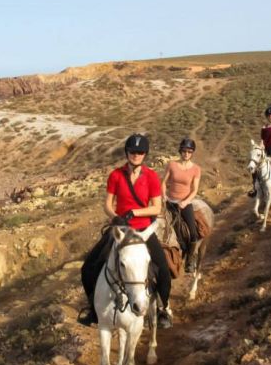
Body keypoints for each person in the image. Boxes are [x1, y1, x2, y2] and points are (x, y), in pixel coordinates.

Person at [78, 134, 174, 329]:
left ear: (145, 154)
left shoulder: (152, 177)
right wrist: (115, 216)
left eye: (140, 152)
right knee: (88, 267)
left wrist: (134, 212)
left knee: (163, 269)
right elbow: (107, 203)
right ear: (127, 153)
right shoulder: (116, 175)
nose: (136, 155)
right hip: (120, 230)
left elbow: (156, 208)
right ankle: (93, 310)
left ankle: (163, 308)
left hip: (142, 231)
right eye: (132, 151)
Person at [162, 138, 202, 273]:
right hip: (169, 203)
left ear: (192, 153)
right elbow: (163, 183)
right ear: (180, 151)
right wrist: (163, 196)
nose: (186, 153)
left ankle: (190, 259)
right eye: (184, 151)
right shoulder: (172, 165)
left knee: (193, 234)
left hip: (185, 204)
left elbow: (194, 190)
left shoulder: (196, 169)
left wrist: (185, 201)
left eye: (189, 151)